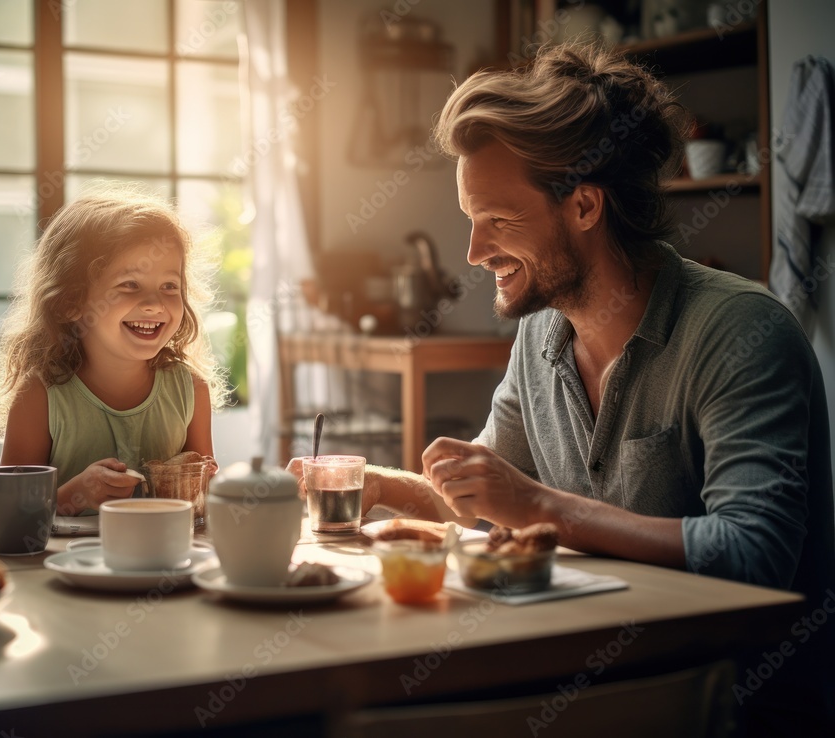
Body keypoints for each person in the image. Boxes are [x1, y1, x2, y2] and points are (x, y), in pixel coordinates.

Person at [292, 42, 833, 735]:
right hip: (591, 687)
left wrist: (538, 503)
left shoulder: (742, 333)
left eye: (498, 220)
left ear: (583, 206)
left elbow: (754, 554)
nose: (474, 253)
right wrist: (382, 486)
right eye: (470, 219)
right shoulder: (542, 334)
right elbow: (488, 501)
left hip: (722, 709)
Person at [0, 184, 227, 516]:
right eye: (130, 284)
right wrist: (71, 495)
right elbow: (6, 515)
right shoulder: (39, 395)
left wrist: (273, 487)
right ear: (70, 301)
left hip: (163, 563)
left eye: (169, 286)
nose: (154, 304)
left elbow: (204, 501)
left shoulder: (191, 389)